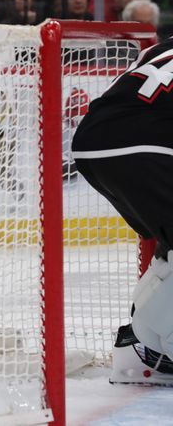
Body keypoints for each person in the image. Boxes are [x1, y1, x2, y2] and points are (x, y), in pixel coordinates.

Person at [71, 37, 173, 386]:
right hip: (146, 144)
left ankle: (145, 345)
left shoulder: (166, 44)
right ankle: (154, 347)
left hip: (91, 144)